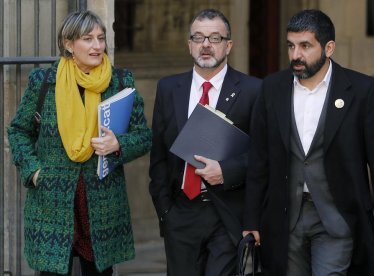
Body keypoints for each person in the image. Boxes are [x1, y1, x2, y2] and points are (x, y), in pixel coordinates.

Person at [243, 9, 374, 276]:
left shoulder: (361, 90)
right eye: (291, 46)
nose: (296, 55)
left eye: (305, 46)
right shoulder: (271, 88)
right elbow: (259, 159)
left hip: (337, 216)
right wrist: (251, 219)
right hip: (285, 218)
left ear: (329, 48)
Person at [7, 10, 151, 275]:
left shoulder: (120, 81)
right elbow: (18, 131)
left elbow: (143, 136)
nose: (97, 46)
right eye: (88, 39)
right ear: (69, 44)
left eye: (100, 38)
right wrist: (35, 172)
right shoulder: (44, 82)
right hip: (52, 201)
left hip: (101, 205)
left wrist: (118, 144)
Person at [149, 8, 261, 276]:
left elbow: (263, 157)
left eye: (215, 38)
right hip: (181, 213)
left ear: (229, 45)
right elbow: (159, 157)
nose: (206, 45)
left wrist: (227, 171)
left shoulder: (253, 90)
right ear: (189, 45)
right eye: (198, 38)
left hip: (226, 213)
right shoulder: (168, 88)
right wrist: (166, 212)